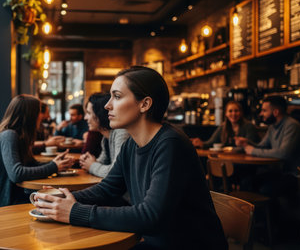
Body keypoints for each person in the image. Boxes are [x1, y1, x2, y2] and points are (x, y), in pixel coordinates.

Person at [33, 66, 227, 249]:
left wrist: (75, 212)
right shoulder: (132, 144)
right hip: (158, 244)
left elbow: (150, 216)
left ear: (145, 104)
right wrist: (59, 198)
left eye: (116, 96)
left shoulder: (171, 144)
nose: (108, 106)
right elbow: (108, 188)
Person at [0, 95, 74, 209]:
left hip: (14, 198)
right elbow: (16, 174)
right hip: (4, 205)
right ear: (30, 116)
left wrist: (56, 163)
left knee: (59, 200)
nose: (41, 117)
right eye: (39, 112)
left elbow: (31, 164)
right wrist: (53, 167)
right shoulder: (9, 135)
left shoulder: (17, 136)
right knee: (60, 202)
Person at [235, 96, 300, 195]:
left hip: (297, 175)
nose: (261, 114)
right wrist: (247, 143)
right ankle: (251, 210)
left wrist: (253, 151)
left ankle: (271, 210)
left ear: (276, 112)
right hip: (282, 172)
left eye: (264, 111)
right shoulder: (272, 126)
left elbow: (283, 153)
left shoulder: (292, 126)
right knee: (247, 182)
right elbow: (262, 146)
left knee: (265, 188)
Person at [79, 93, 129, 178]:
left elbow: (116, 172)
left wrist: (92, 166)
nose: (85, 118)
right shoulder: (105, 138)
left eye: (89, 113)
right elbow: (101, 162)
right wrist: (87, 161)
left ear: (100, 114)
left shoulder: (121, 132)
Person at [191, 100, 259, 148]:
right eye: (230, 111)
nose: (233, 114)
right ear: (226, 114)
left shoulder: (249, 126)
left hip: (245, 162)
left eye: (236, 111)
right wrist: (201, 143)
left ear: (241, 113)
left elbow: (251, 146)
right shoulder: (223, 127)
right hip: (228, 160)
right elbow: (211, 142)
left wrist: (232, 150)